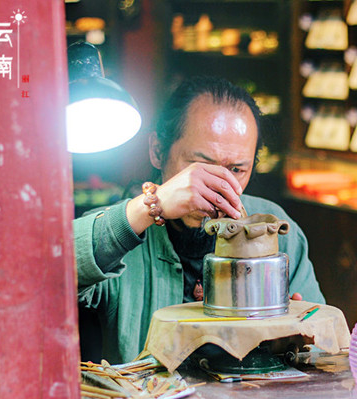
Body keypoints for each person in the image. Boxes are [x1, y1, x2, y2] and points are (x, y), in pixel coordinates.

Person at [74, 76, 325, 364]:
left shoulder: (275, 230)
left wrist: (295, 342)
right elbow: (43, 268)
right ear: (157, 150)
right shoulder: (125, 229)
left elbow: (320, 342)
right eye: (201, 165)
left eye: (237, 169)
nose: (217, 185)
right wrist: (149, 207)